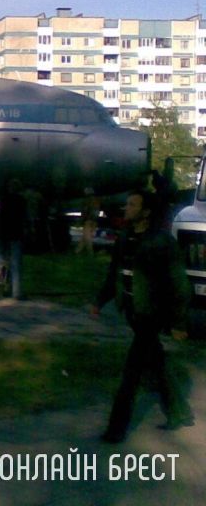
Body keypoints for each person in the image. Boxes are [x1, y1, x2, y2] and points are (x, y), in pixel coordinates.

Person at [92, 189, 194, 443]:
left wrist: (178, 323)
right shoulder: (124, 237)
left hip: (152, 313)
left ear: (146, 212)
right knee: (157, 362)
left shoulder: (161, 241)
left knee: (132, 373)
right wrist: (100, 301)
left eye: (132, 205)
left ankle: (115, 430)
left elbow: (179, 284)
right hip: (133, 311)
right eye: (127, 204)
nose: (126, 208)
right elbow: (115, 273)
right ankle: (179, 412)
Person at [0, 179, 25, 299]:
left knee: (1, 263)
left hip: (3, 233)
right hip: (16, 233)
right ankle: (16, 291)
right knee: (16, 263)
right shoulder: (21, 200)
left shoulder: (3, 199)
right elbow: (23, 217)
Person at [78, 187, 100, 254]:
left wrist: (83, 219)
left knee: (87, 237)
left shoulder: (87, 201)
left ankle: (90, 252)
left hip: (88, 220)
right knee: (86, 236)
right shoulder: (96, 200)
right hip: (94, 220)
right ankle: (77, 250)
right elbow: (97, 211)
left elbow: (85, 211)